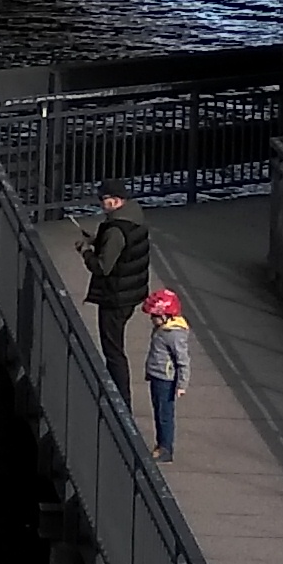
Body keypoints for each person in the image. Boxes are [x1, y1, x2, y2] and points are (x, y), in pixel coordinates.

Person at [86, 190, 156, 380]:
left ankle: (120, 400)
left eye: (104, 199)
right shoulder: (135, 218)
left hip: (115, 296)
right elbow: (126, 249)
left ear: (116, 201)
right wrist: (98, 241)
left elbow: (102, 267)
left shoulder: (115, 230)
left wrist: (86, 252)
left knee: (113, 351)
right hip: (132, 293)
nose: (101, 203)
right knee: (115, 346)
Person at [140, 289, 193, 461]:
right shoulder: (163, 329)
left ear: (166, 316)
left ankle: (165, 448)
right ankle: (161, 443)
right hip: (157, 376)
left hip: (165, 379)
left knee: (164, 414)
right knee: (159, 411)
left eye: (155, 316)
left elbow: (183, 360)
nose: (152, 319)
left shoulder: (173, 335)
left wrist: (182, 384)